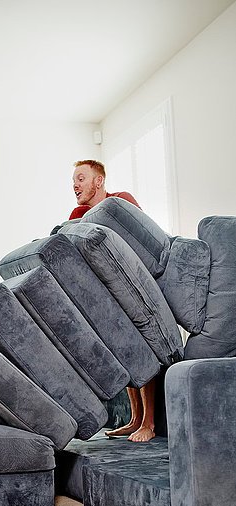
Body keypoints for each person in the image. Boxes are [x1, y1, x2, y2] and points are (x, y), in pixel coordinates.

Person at [70, 160, 155, 442]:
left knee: (143, 348)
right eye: (74, 180)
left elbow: (143, 237)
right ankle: (134, 418)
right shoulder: (79, 213)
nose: (75, 184)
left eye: (82, 178)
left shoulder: (121, 201)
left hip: (135, 284)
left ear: (99, 181)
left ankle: (149, 423)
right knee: (125, 349)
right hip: (106, 291)